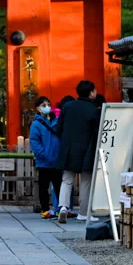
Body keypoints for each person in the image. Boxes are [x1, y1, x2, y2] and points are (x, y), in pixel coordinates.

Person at [55, 80, 100, 224]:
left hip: (69, 149)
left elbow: (58, 128)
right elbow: (96, 132)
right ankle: (83, 213)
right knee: (86, 181)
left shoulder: (67, 107)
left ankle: (63, 207)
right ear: (91, 92)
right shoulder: (94, 110)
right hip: (86, 150)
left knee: (67, 180)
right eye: (95, 90)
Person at [29, 96, 62, 219]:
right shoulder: (36, 125)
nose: (47, 107)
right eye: (43, 105)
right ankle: (45, 209)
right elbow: (35, 142)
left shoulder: (57, 121)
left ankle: (59, 208)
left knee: (58, 185)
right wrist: (43, 154)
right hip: (44, 161)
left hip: (56, 160)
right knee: (44, 186)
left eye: (48, 104)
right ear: (38, 108)